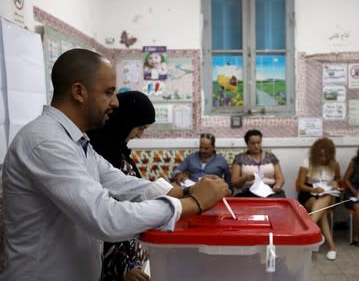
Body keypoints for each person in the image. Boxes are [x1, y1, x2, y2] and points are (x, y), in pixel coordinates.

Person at [0, 48, 230, 281]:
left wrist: (189, 191)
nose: (116, 102)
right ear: (79, 92)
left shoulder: (75, 140)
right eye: (109, 93)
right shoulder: (45, 142)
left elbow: (122, 183)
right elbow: (106, 218)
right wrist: (193, 203)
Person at [87, 91, 156, 281]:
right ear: (125, 121)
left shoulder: (119, 150)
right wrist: (123, 267)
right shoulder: (100, 151)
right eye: (140, 128)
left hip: (130, 257)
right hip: (111, 265)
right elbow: (104, 214)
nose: (140, 135)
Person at [295, 137, 340, 260]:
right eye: (320, 156)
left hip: (329, 194)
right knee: (322, 212)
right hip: (309, 193)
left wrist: (335, 183)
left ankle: (307, 232)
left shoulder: (334, 164)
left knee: (326, 198)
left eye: (326, 156)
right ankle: (331, 246)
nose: (323, 159)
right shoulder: (307, 163)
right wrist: (312, 190)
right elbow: (300, 185)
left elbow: (338, 180)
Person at [231, 129, 286, 198]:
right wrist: (245, 178)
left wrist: (277, 185)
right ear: (247, 144)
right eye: (253, 143)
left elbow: (280, 177)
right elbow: (234, 182)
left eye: (258, 143)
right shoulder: (240, 158)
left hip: (270, 190)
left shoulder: (271, 157)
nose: (256, 146)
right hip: (249, 191)